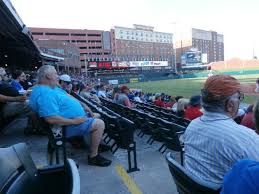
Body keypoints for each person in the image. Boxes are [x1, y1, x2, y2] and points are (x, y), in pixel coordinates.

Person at [182, 75, 259, 187]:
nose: (239, 100)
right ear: (230, 105)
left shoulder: (192, 125)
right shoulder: (246, 138)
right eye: (239, 97)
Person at [29, 65, 111, 167]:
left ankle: (93, 144)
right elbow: (51, 118)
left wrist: (83, 105)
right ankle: (93, 156)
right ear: (48, 76)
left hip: (70, 120)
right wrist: (75, 121)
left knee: (97, 115)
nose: (57, 76)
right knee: (99, 123)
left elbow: (68, 96)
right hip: (62, 128)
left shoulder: (50, 88)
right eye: (55, 73)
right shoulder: (45, 94)